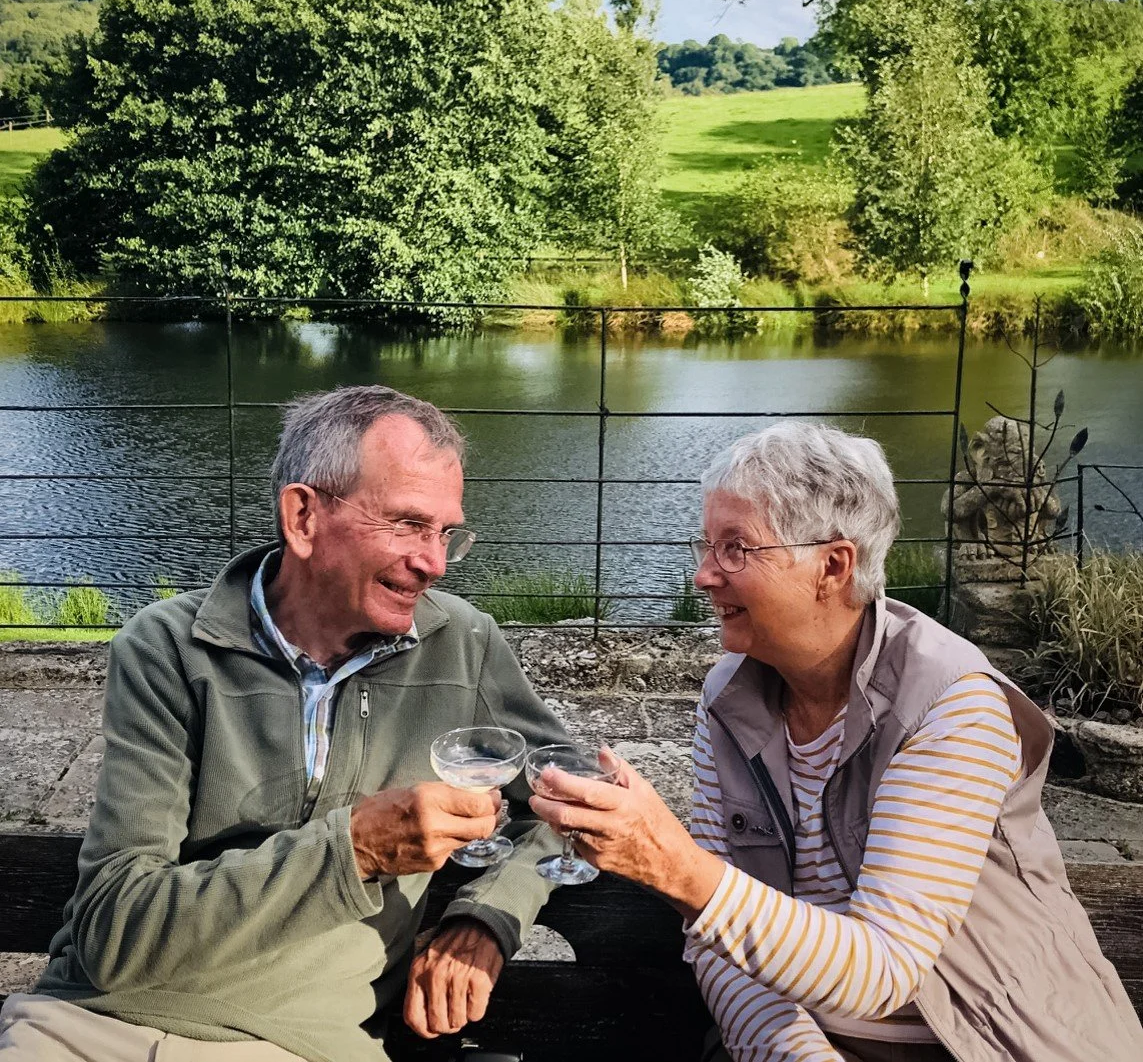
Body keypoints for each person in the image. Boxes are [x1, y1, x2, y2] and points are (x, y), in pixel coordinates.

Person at [530, 421, 1143, 1062]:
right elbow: (715, 939)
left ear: (833, 565)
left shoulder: (950, 705)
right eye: (705, 546)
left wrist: (676, 866)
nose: (703, 576)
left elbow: (883, 966)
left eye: (736, 549)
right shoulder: (729, 699)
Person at [0, 385, 570, 1062]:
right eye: (407, 524)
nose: (435, 562)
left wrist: (488, 914)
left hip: (304, 1044)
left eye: (445, 532)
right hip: (96, 1026)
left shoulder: (463, 644)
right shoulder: (168, 649)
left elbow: (575, 798)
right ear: (303, 516)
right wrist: (354, 849)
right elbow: (115, 935)